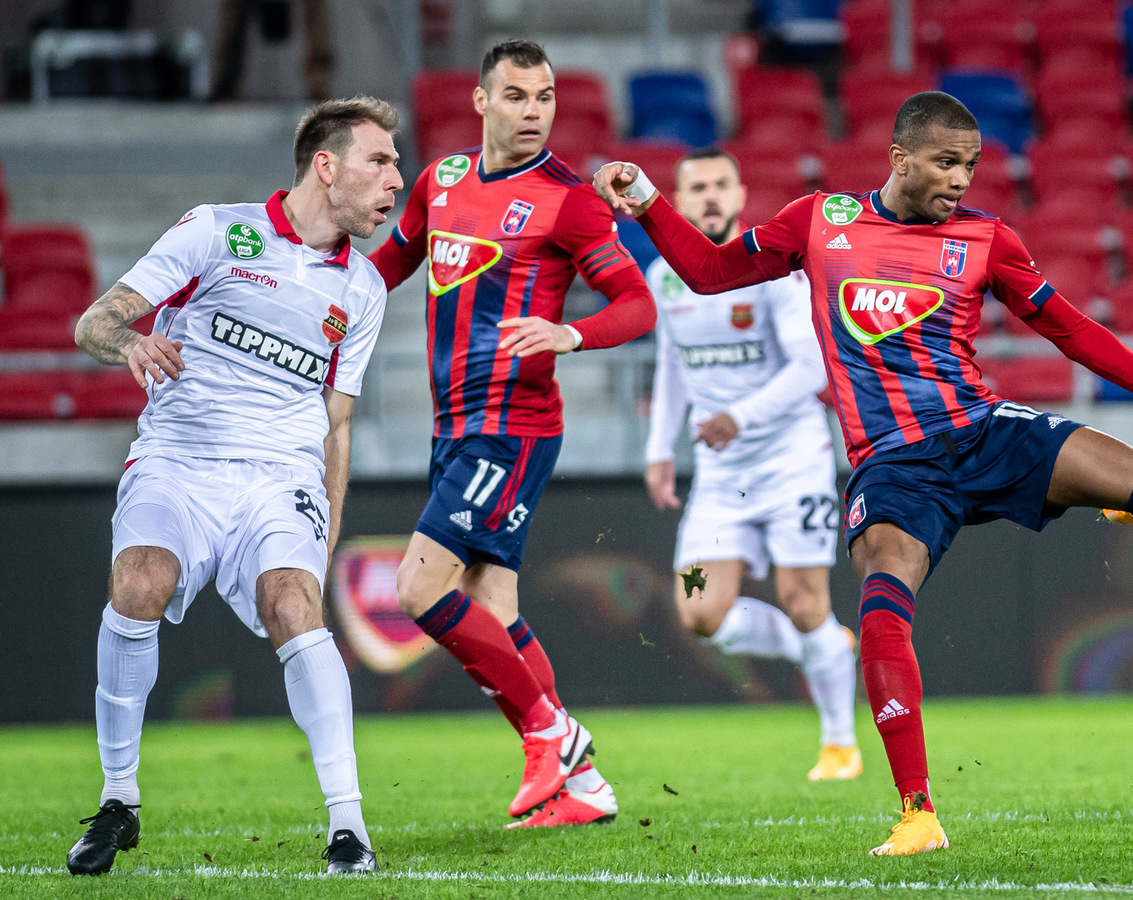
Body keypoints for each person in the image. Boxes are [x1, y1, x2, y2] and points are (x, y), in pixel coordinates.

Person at [594, 91, 1133, 856]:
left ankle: (1129, 500)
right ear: (900, 158)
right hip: (893, 467)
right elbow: (711, 271)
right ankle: (917, 814)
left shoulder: (987, 239)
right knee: (882, 606)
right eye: (946, 162)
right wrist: (645, 201)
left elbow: (1073, 332)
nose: (959, 179)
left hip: (984, 433)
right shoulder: (820, 222)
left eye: (970, 166)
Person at [68, 96, 403, 875]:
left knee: (294, 603)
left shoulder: (363, 288)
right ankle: (118, 801)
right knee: (138, 583)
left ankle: (348, 827)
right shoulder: (217, 231)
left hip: (280, 476)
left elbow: (338, 423)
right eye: (381, 162)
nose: (396, 180)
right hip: (178, 460)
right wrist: (131, 343)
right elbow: (94, 323)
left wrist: (326, 536)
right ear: (328, 166)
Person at [367, 40, 654, 828]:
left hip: (512, 426)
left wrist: (571, 335)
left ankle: (547, 734)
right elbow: (391, 263)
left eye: (546, 97)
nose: (535, 111)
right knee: (490, 602)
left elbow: (636, 303)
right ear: (482, 101)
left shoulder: (568, 199)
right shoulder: (441, 180)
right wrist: (315, 291)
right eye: (519, 96)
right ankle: (583, 786)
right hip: (455, 424)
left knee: (418, 588)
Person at [644, 148, 860, 781]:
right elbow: (672, 364)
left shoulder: (769, 271)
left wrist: (739, 416)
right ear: (679, 202)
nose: (710, 196)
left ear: (740, 198)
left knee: (803, 600)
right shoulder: (664, 275)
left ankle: (839, 744)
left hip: (793, 464)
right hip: (720, 478)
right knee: (697, 610)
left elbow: (812, 367)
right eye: (697, 188)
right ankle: (822, 647)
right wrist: (659, 449)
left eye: (721, 185)